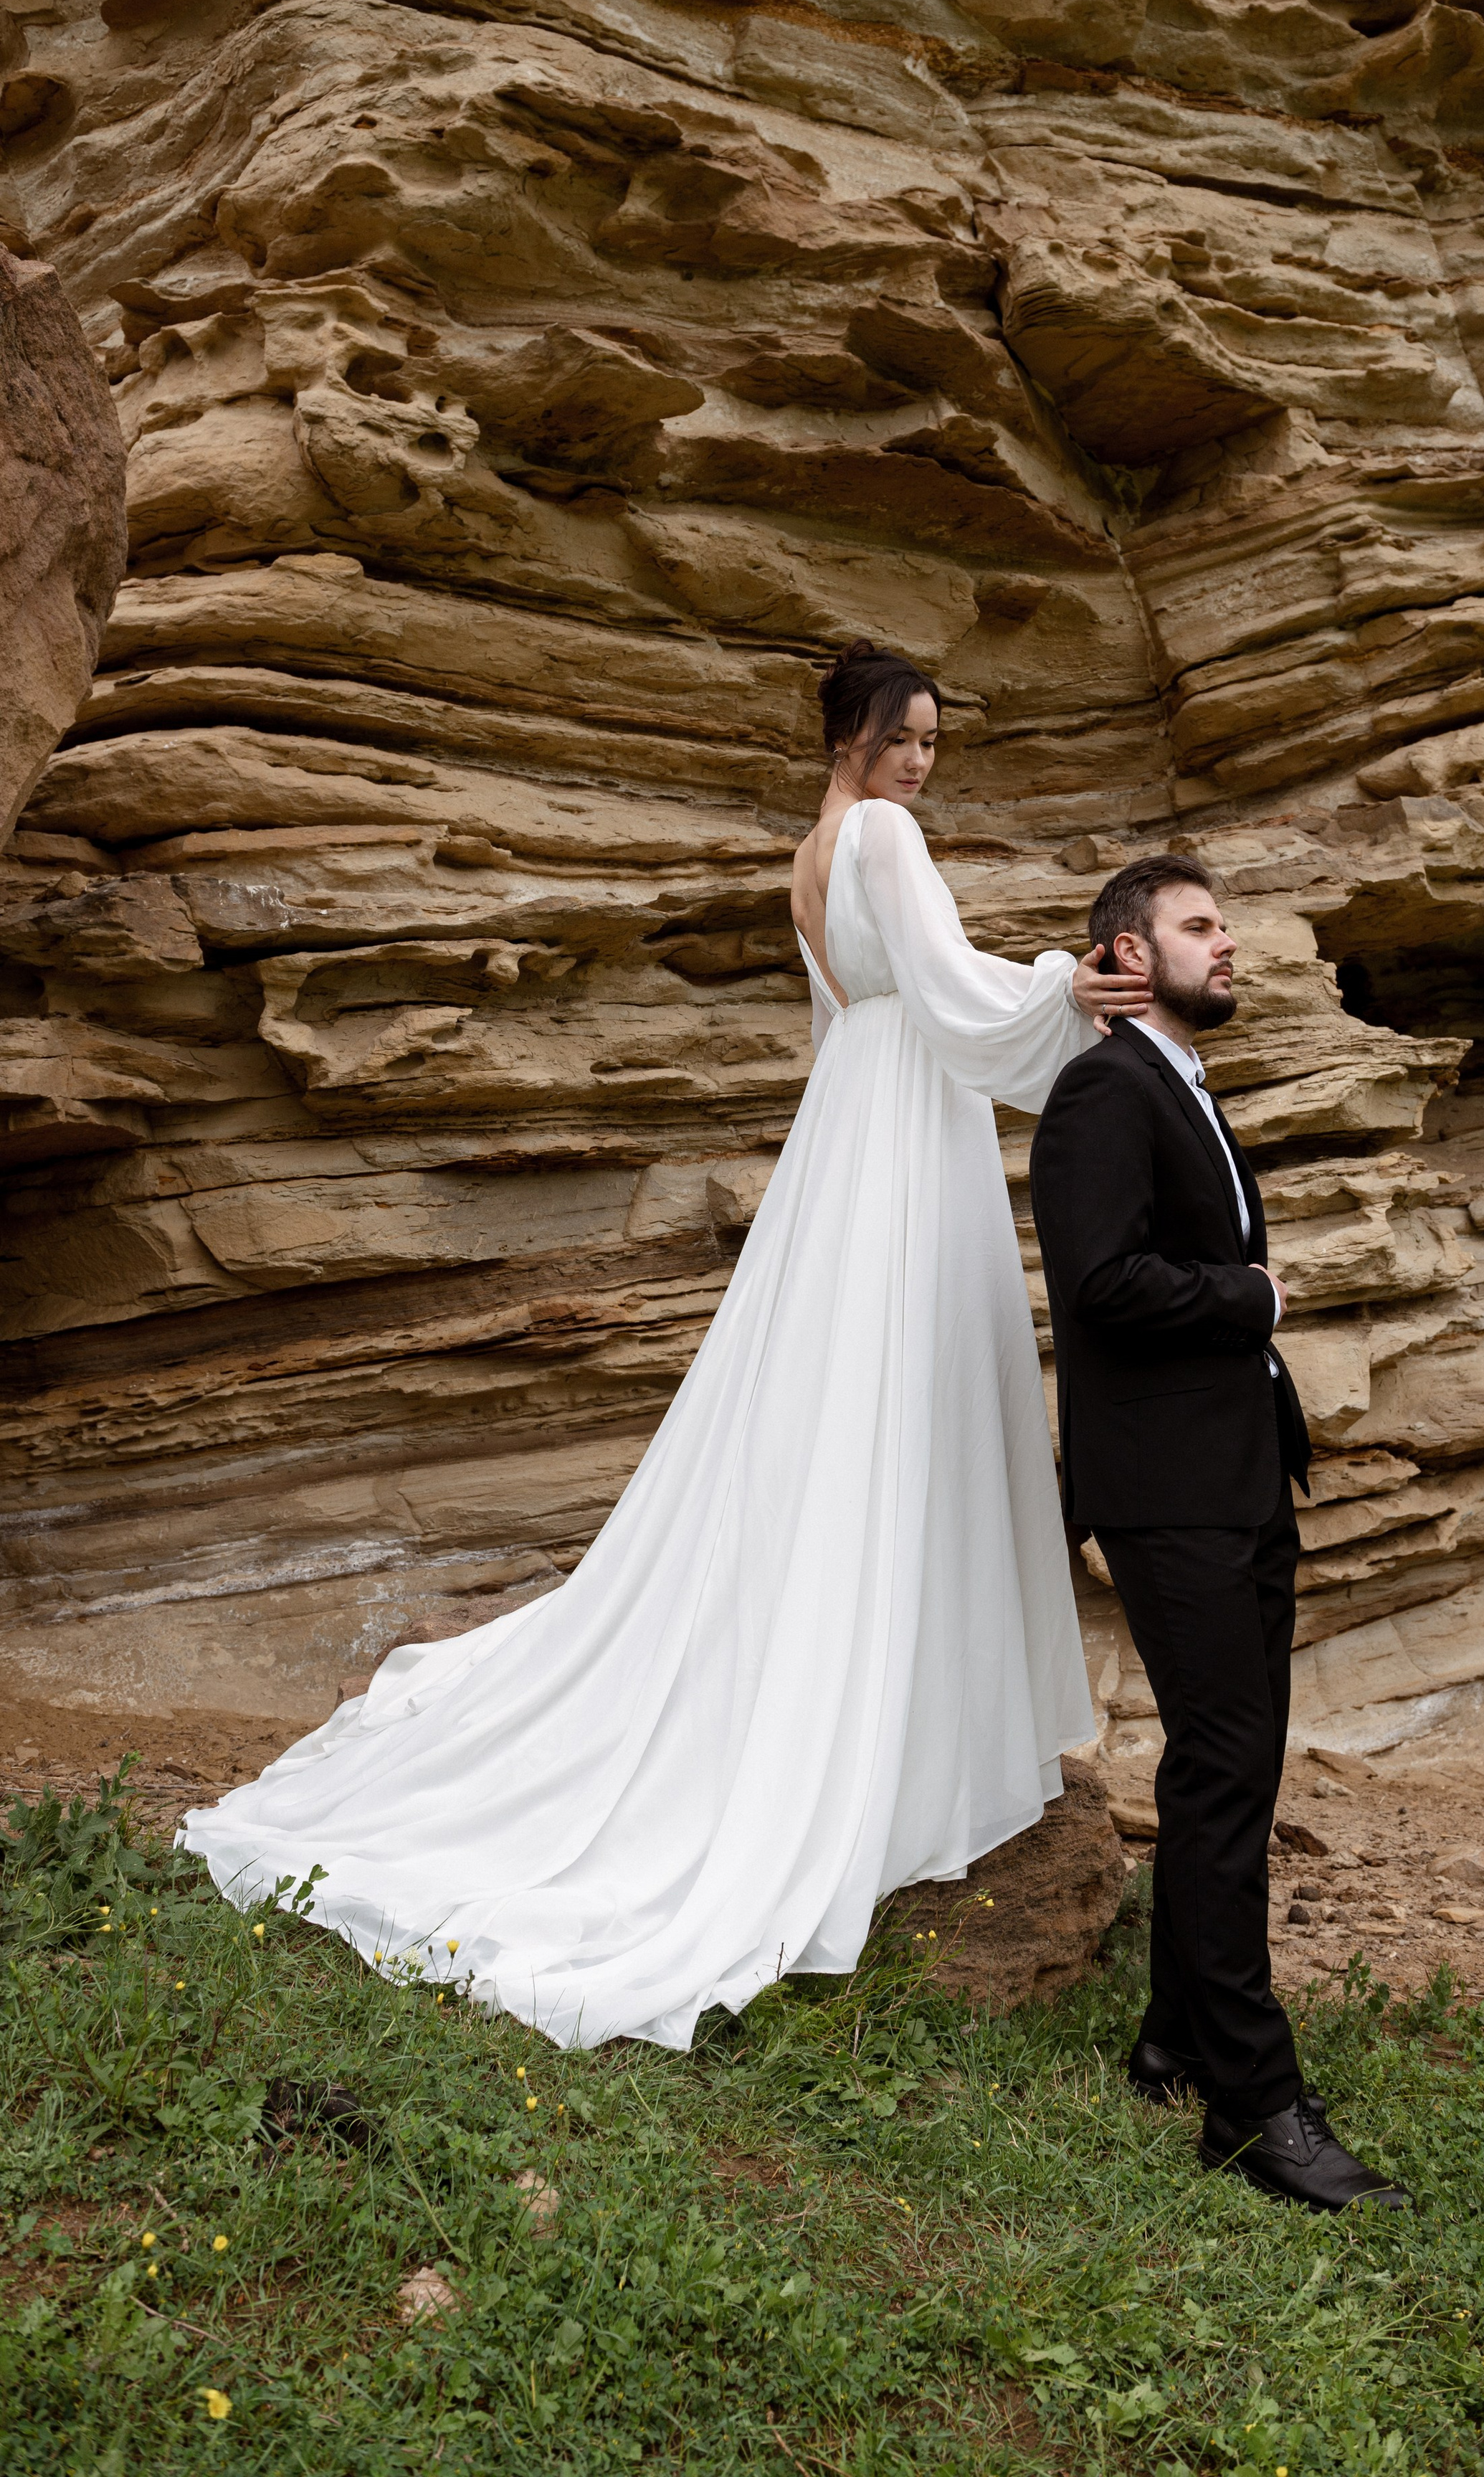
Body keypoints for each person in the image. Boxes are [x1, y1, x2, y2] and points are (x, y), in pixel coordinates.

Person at [181, 641, 1147, 2050]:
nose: (920, 765)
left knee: (833, 1415)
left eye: (935, 745)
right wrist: (1064, 993)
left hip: (849, 1130)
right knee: (895, 1413)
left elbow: (855, 1014)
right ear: (852, 736)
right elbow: (945, 988)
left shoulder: (802, 856)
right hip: (899, 1133)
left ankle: (855, 1679)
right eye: (905, 738)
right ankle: (879, 1727)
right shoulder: (881, 833)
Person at [1028, 856, 1409, 2212]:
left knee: (1225, 1771)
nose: (1228, 942)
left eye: (1224, 922)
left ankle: (1175, 2044)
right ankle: (1255, 2105)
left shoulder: (1182, 1087)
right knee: (1226, 1766)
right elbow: (1100, 1281)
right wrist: (1249, 1297)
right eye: (1201, 926)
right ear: (1129, 956)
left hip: (1238, 1478)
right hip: (1168, 1489)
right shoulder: (1099, 1091)